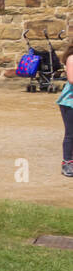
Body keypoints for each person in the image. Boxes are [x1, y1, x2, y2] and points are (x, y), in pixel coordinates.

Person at [58, 39, 73, 178]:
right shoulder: (71, 58)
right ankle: (67, 162)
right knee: (71, 134)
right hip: (70, 103)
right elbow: (71, 79)